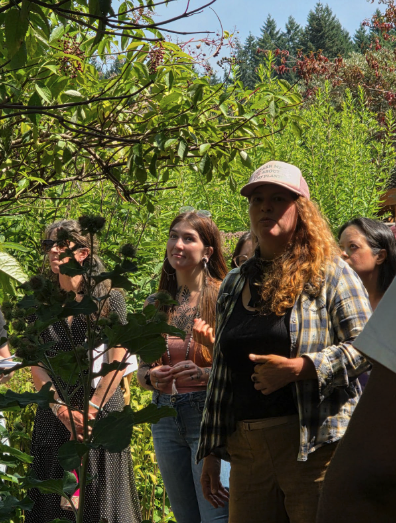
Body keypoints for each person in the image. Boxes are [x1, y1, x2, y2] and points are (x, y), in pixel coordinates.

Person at [197, 161, 372, 523]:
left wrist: (301, 368)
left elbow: (366, 347)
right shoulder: (233, 282)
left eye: (278, 198)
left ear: (302, 209)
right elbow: (222, 374)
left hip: (312, 447)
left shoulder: (332, 273)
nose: (265, 206)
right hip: (246, 452)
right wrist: (212, 452)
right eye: (257, 199)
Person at [26, 219, 142, 523]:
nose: (53, 251)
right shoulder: (39, 307)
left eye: (61, 244)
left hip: (101, 416)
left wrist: (90, 410)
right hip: (54, 416)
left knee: (103, 509)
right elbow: (36, 365)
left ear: (83, 253)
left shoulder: (108, 300)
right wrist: (62, 411)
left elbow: (117, 362)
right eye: (48, 244)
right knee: (50, 509)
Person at [137, 209, 230, 523]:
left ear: (208, 251)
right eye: (173, 235)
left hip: (208, 415)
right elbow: (140, 371)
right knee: (185, 517)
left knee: (216, 516)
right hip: (164, 417)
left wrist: (204, 373)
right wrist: (151, 376)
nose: (177, 243)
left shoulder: (223, 297)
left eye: (188, 238)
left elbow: (240, 367)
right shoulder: (155, 304)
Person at [317, 276, 396, 523]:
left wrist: (306, 366)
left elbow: (371, 472)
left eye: (353, 246)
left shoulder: (337, 279)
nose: (344, 253)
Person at [339, 217, 396, 310]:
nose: (343, 253)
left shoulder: (392, 304)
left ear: (380, 256)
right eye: (341, 247)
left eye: (353, 246)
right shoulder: (335, 299)